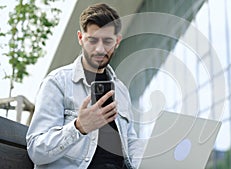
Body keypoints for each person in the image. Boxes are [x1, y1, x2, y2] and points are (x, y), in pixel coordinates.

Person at [26, 3, 143, 169]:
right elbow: (36, 151)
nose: (100, 49)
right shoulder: (57, 83)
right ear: (81, 38)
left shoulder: (121, 90)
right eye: (92, 40)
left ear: (117, 41)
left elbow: (132, 144)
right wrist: (79, 127)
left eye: (108, 41)